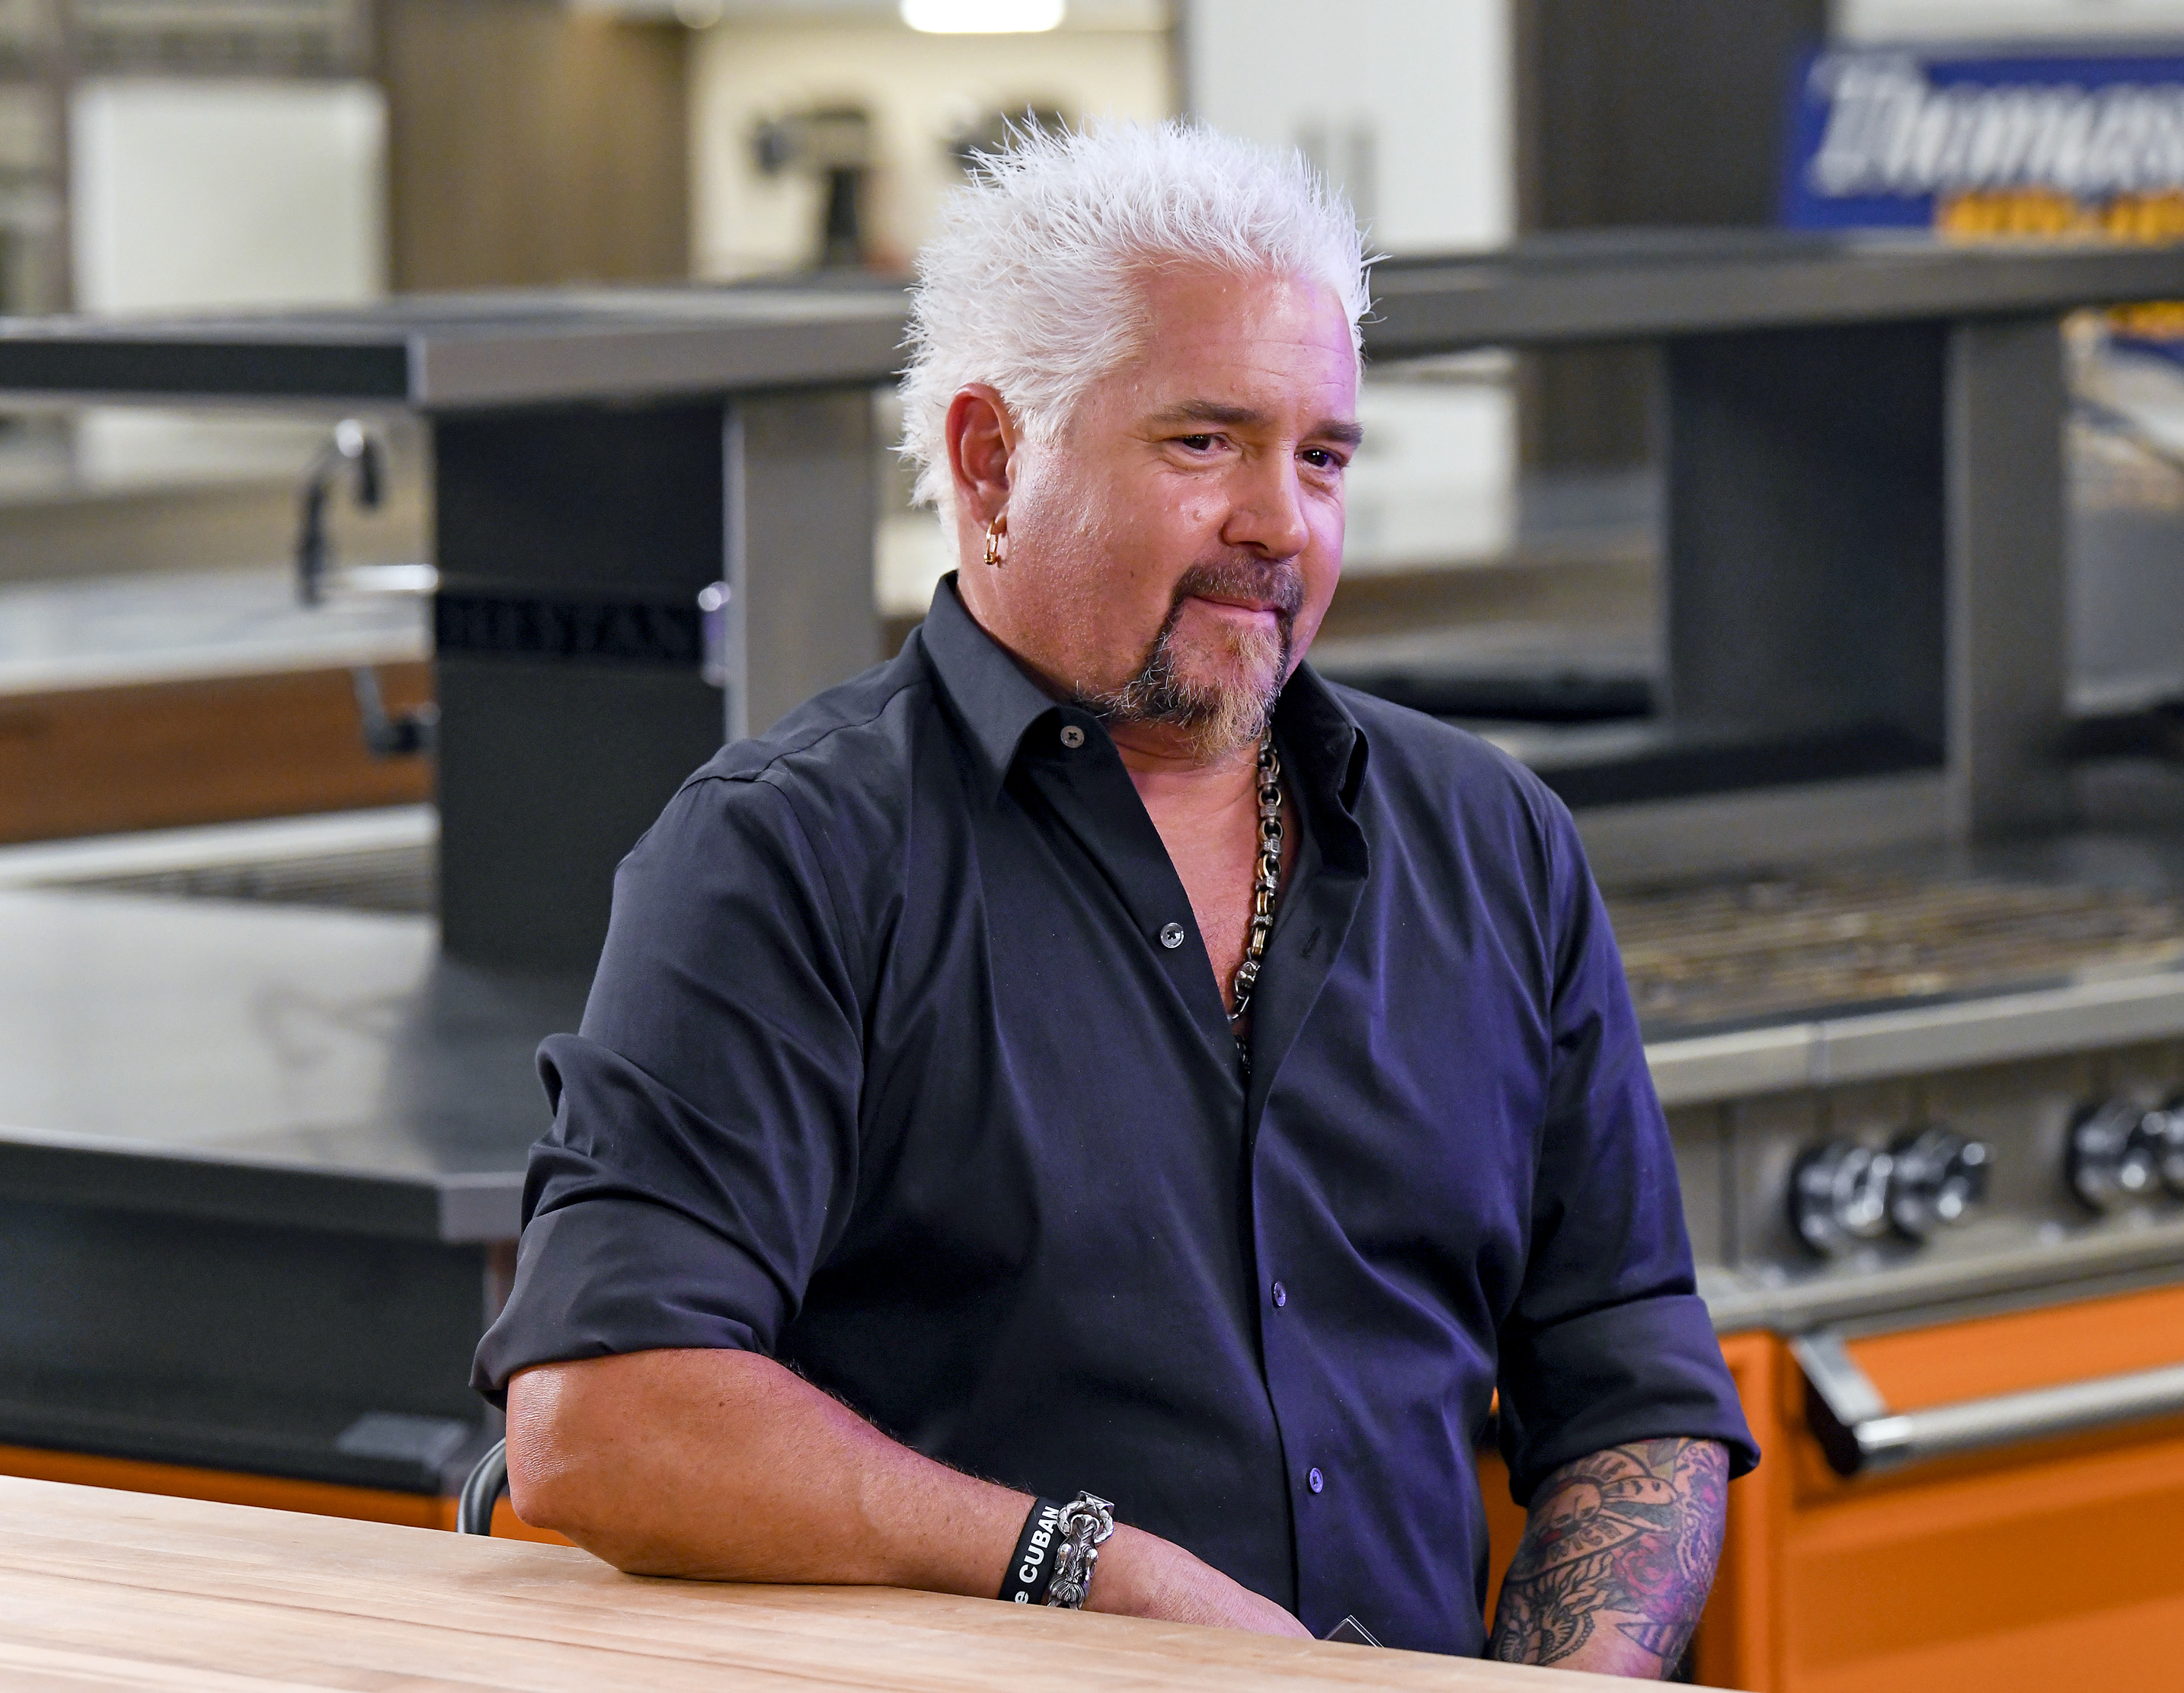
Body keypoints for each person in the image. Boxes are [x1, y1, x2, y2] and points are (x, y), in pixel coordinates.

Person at [474, 120, 1756, 1676]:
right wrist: (1081, 1570)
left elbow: (1631, 1387)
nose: (1282, 521)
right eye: (1205, 443)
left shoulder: (1496, 845)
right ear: (991, 461)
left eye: (1323, 455)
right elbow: (606, 1417)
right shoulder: (787, 856)